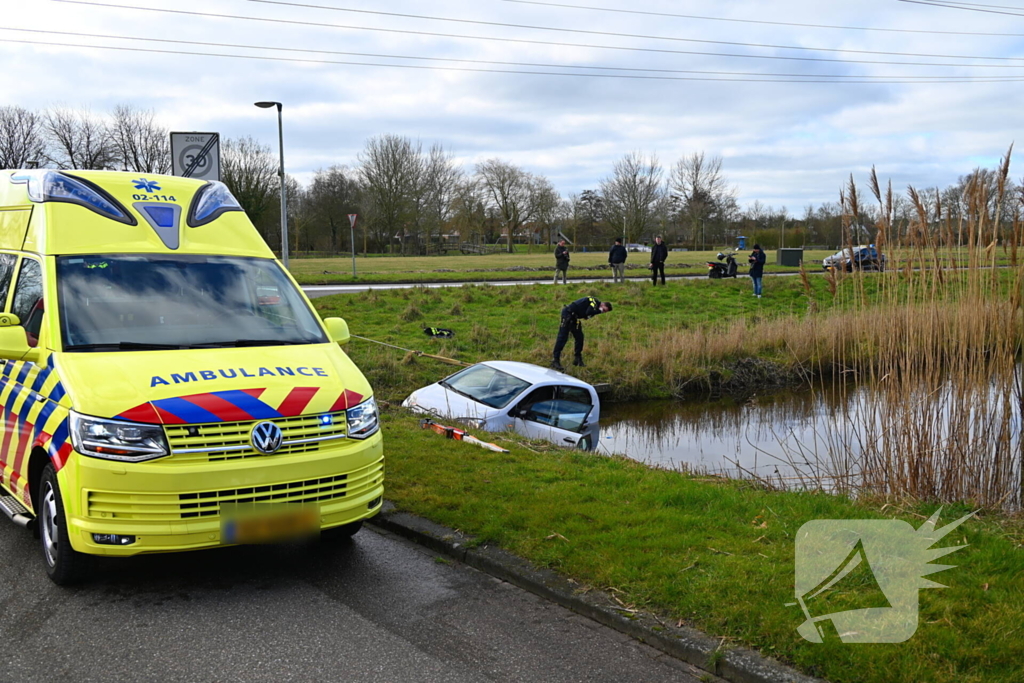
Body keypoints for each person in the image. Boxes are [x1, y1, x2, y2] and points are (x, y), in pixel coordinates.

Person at [551, 295, 613, 371]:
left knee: (579, 338)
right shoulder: (594, 302)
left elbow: (586, 316)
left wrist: (594, 312)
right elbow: (588, 312)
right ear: (602, 305)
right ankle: (555, 360)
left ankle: (577, 359)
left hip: (574, 317)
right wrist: (599, 311)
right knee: (562, 338)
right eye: (604, 310)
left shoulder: (595, 307)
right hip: (568, 314)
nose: (602, 312)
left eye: (604, 311)